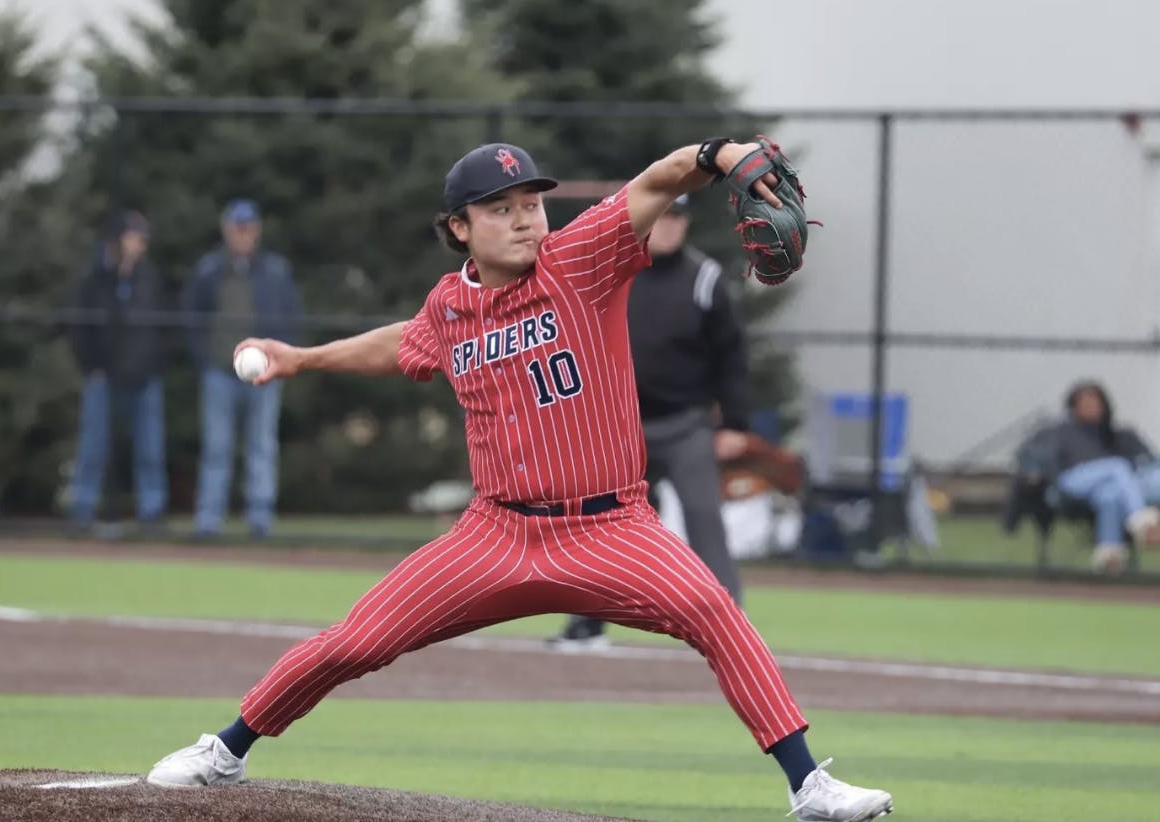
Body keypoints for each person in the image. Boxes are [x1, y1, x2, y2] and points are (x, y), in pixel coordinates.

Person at [146, 140, 894, 821]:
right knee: (354, 642)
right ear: (460, 227)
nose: (523, 219)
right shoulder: (450, 304)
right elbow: (405, 344)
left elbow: (659, 180)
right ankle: (226, 749)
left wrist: (720, 153)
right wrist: (301, 358)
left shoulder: (582, 258)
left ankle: (810, 788)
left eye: (531, 203)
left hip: (609, 528)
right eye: (499, 209)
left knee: (711, 605)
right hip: (496, 534)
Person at [550, 192, 753, 652]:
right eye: (661, 216)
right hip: (620, 431)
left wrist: (735, 422)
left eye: (677, 218)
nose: (668, 226)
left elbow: (732, 355)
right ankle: (586, 626)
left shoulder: (704, 278)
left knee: (704, 520)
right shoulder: (615, 274)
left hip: (686, 426)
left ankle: (731, 631)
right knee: (599, 525)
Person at [183, 199, 303, 539]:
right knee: (216, 448)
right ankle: (209, 521)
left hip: (265, 375)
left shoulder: (275, 271)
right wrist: (204, 360)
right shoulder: (208, 270)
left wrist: (281, 361)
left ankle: (260, 520)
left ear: (257, 230)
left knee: (261, 447)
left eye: (248, 227)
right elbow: (192, 319)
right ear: (226, 230)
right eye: (237, 227)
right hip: (219, 372)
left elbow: (291, 317)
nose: (242, 234)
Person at [65, 211, 168, 534]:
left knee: (150, 451)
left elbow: (166, 325)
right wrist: (91, 367)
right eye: (134, 236)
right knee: (92, 448)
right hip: (103, 378)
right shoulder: (94, 279)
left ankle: (152, 514)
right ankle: (83, 510)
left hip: (144, 379)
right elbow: (78, 327)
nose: (140, 243)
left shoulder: (150, 277)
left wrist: (155, 365)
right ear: (118, 239)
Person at [1042, 380, 1160, 574]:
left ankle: (1109, 558)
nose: (1091, 407)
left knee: (1109, 495)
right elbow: (1052, 463)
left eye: (1095, 402)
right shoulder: (1063, 431)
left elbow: (1143, 460)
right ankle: (1143, 522)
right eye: (1084, 403)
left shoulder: (1110, 432)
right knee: (1117, 466)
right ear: (1074, 407)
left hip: (1101, 486)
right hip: (1070, 482)